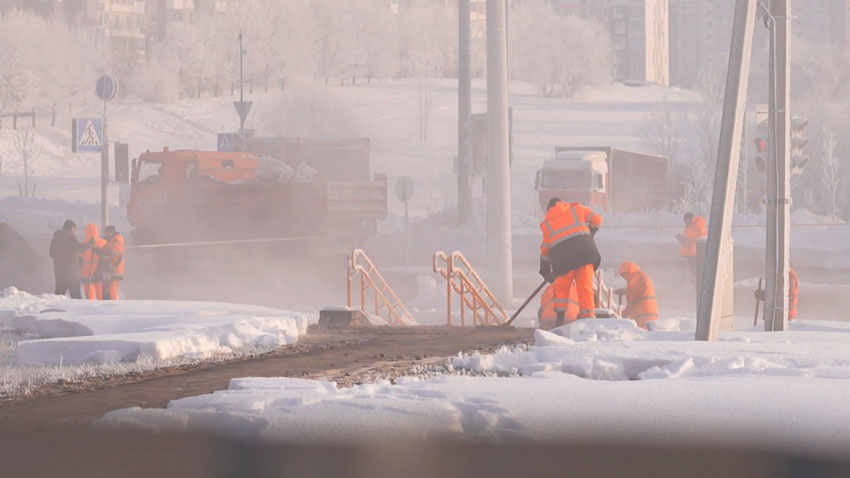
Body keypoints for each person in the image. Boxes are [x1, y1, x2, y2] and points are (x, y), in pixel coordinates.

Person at [538, 197, 602, 327]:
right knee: (585, 287)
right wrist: (590, 233)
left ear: (549, 209)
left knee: (561, 289)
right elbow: (597, 219)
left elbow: (545, 250)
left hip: (563, 260)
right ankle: (589, 320)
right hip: (585, 252)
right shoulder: (577, 209)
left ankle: (560, 320)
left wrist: (545, 270)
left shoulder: (547, 224)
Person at [48, 220, 92, 298]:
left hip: (59, 274)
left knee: (58, 298)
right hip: (72, 274)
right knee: (76, 298)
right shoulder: (70, 236)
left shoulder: (56, 237)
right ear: (72, 228)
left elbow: (51, 253)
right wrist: (91, 243)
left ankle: (55, 310)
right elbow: (80, 248)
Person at [615, 261, 658, 330]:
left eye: (624, 275)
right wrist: (622, 315)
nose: (625, 278)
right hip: (641, 315)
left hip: (645, 314)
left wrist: (626, 290)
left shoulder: (639, 275)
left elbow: (644, 286)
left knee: (644, 336)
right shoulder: (633, 280)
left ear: (629, 271)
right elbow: (632, 303)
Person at [80, 223, 107, 300]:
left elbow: (79, 260)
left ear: (86, 232)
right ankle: (102, 309)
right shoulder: (104, 243)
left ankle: (91, 308)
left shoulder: (83, 244)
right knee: (100, 293)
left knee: (89, 294)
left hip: (86, 273)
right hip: (99, 272)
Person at [98, 225, 125, 300]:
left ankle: (113, 308)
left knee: (111, 293)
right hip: (110, 270)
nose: (105, 235)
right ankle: (108, 308)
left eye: (107, 233)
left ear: (111, 233)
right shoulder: (112, 241)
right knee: (106, 292)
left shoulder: (116, 241)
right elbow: (107, 254)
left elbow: (117, 256)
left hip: (113, 271)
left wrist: (111, 269)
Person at [677, 212, 707, 278]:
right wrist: (682, 239)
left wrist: (685, 236)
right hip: (691, 253)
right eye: (684, 221)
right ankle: (695, 282)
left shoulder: (697, 224)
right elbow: (689, 240)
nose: (685, 222)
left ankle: (698, 283)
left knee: (696, 271)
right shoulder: (689, 227)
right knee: (693, 271)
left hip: (697, 253)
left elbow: (699, 234)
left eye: (686, 220)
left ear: (690, 219)